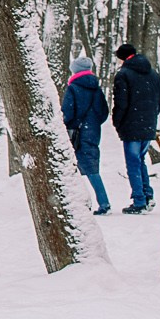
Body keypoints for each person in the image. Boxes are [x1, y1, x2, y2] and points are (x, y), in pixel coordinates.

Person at [111, 43, 160, 214]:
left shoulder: (123, 75)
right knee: (140, 160)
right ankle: (147, 195)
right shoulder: (153, 74)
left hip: (131, 125)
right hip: (148, 124)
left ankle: (139, 201)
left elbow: (121, 102)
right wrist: (150, 116)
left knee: (133, 163)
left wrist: (117, 121)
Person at [61, 56, 111, 215]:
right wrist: (93, 123)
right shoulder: (97, 89)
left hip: (77, 132)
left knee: (78, 167)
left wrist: (69, 123)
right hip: (93, 132)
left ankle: (102, 203)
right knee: (90, 165)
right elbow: (104, 112)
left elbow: (67, 112)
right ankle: (95, 202)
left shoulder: (73, 88)